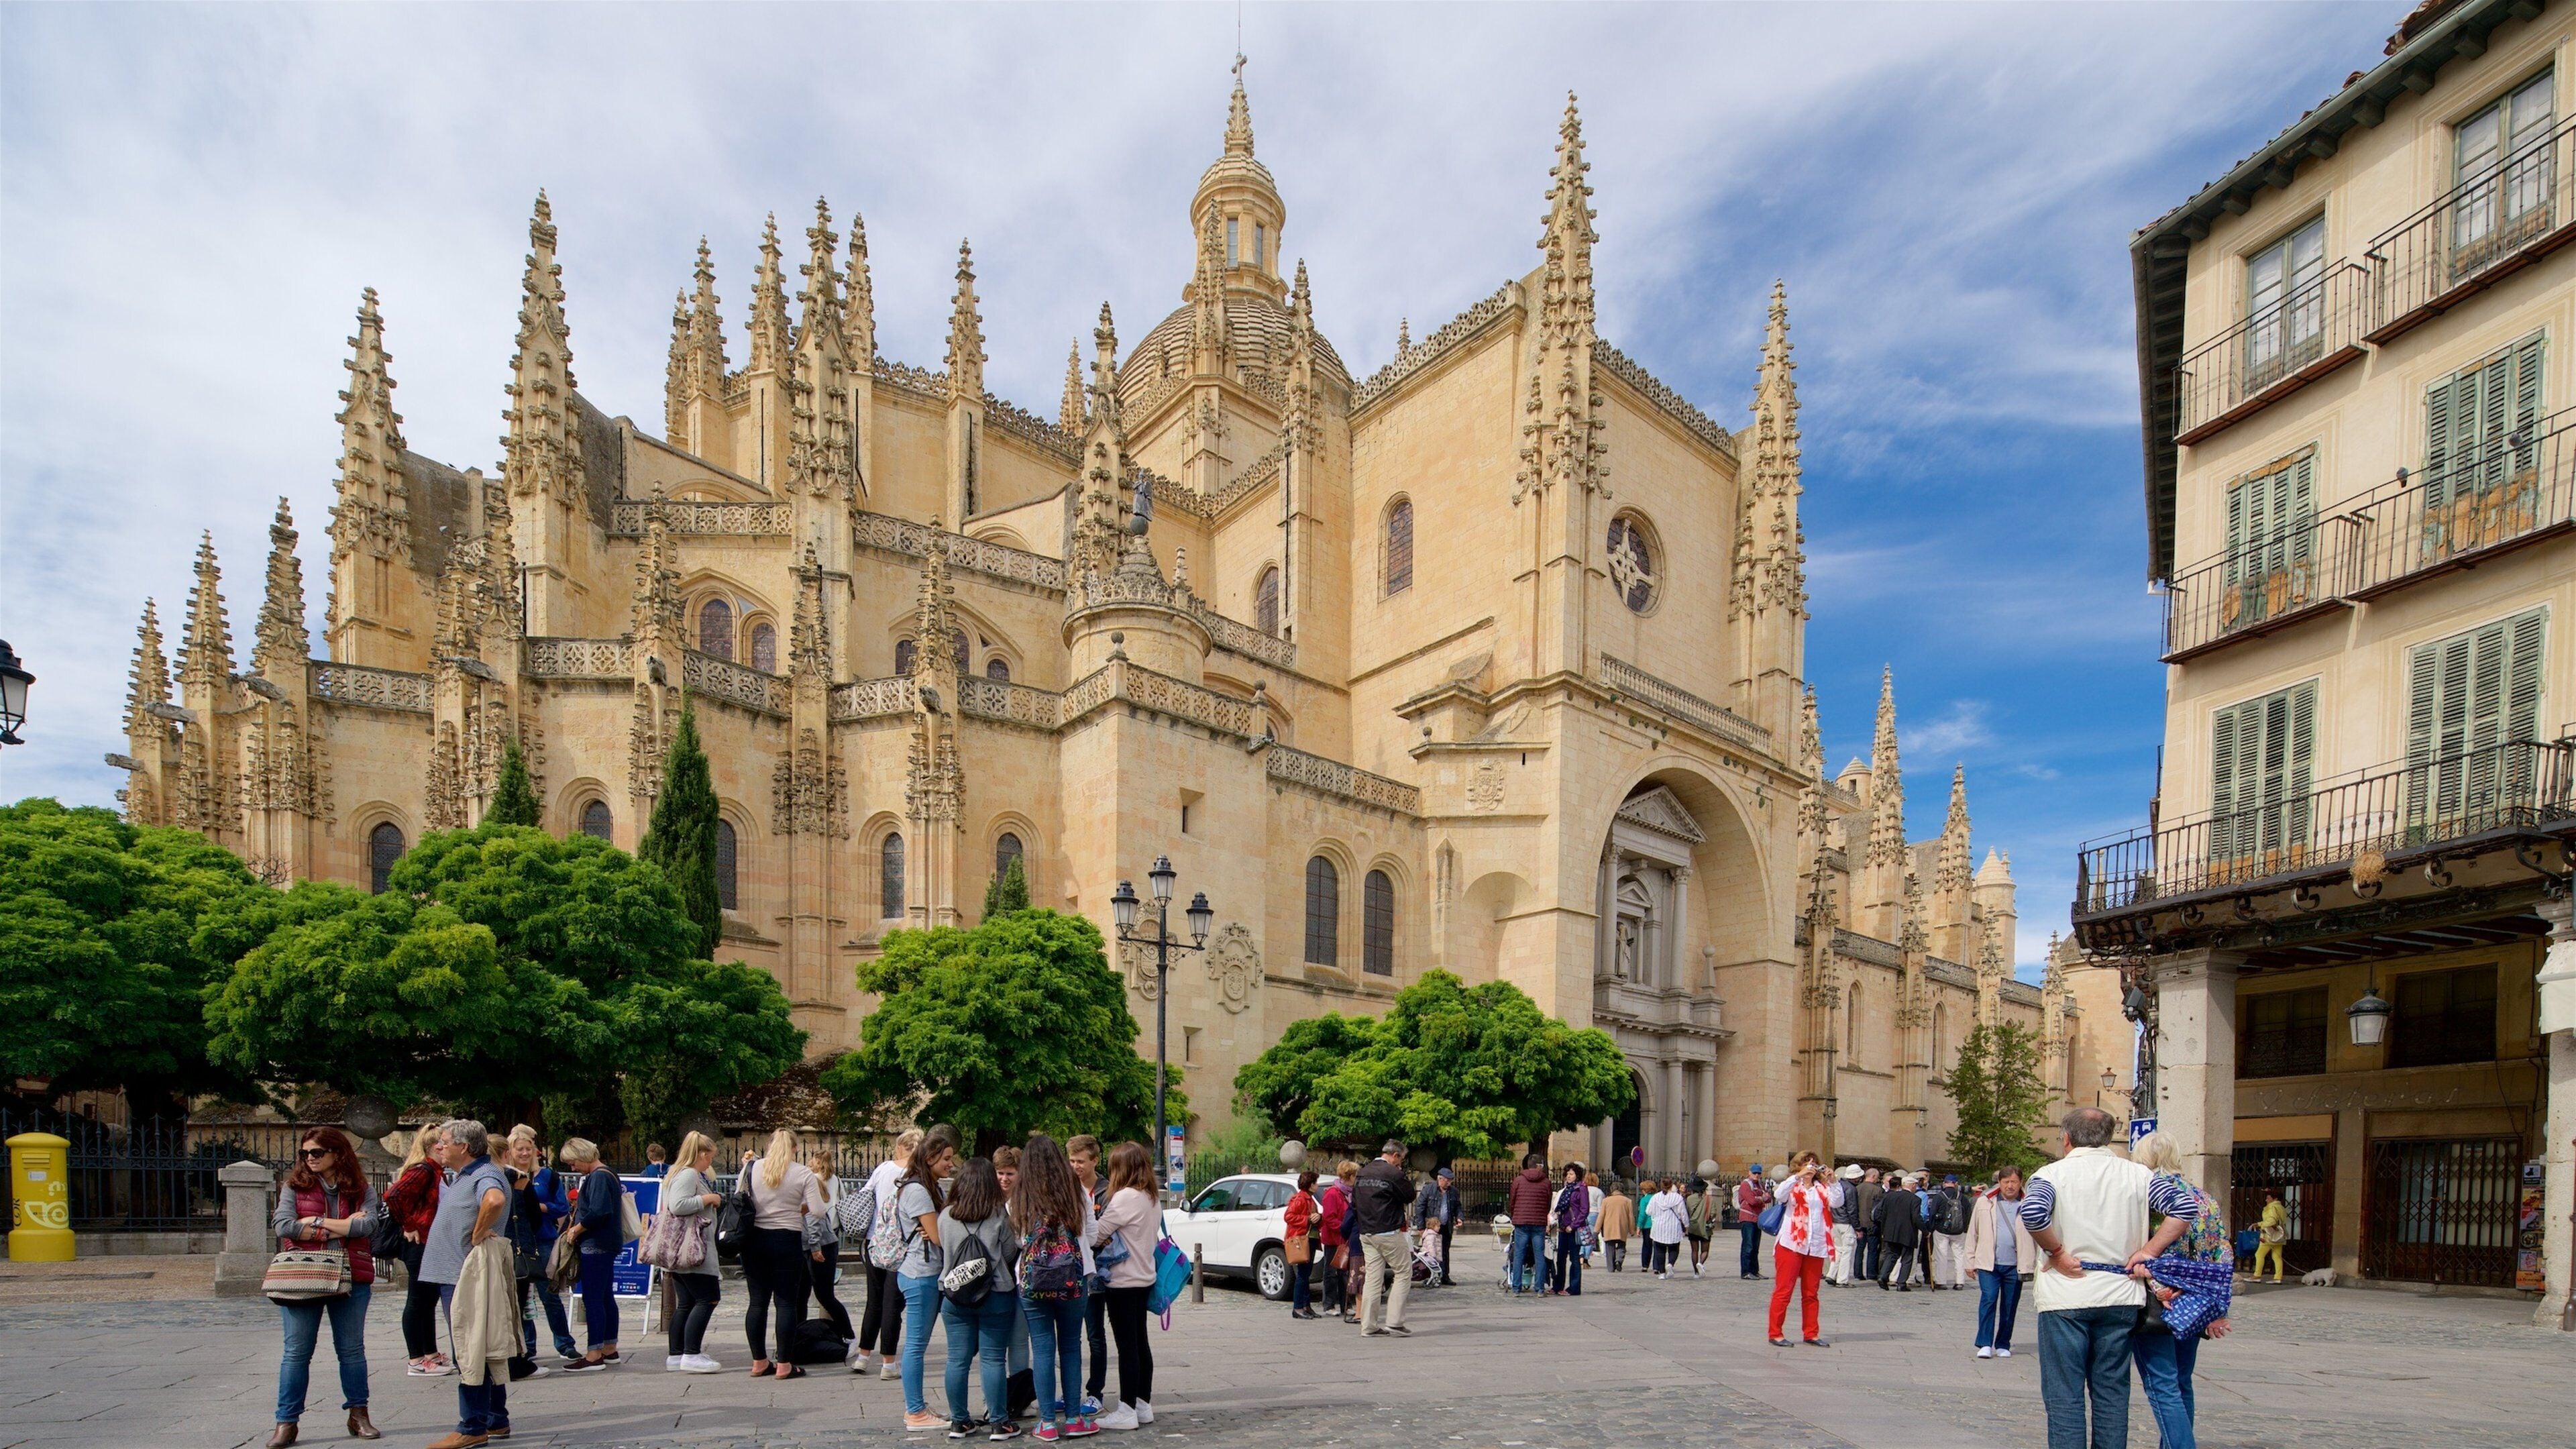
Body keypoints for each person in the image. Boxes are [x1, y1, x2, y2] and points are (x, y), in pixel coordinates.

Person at [2021, 1108, 2200, 1449]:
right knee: (2112, 1392)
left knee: (2065, 1393)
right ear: (2108, 1137)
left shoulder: (2051, 1175)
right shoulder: (2138, 1175)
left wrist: (2057, 1253)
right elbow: (2184, 1207)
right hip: (2120, 1294)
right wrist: (2149, 1250)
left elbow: (2032, 1213)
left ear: (2066, 1139)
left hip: (2066, 1296)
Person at [266, 1126, 381, 1446]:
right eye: (305, 1153)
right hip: (303, 1277)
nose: (310, 1158)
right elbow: (284, 1225)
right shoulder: (294, 1186)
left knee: (352, 1350)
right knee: (296, 1353)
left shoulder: (360, 1188)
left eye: (317, 1152)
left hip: (352, 1278)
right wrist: (341, 1228)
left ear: (337, 1153)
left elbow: (369, 1224)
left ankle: (359, 1415)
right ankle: (286, 1422)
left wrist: (313, 1223)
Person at [2130, 1133, 2234, 1449]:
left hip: (2161, 1300)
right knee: (2181, 1381)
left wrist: (2160, 1287)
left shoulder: (2145, 1195)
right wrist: (2219, 1308)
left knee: (2162, 1384)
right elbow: (2223, 1254)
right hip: (2197, 1301)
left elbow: (2142, 1253)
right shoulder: (2205, 1199)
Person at [419, 1120, 514, 1449]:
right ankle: (494, 1419)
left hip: (466, 1277)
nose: (439, 1147)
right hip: (458, 1275)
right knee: (481, 1347)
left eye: (444, 1142)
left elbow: (495, 1201)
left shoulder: (484, 1175)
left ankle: (472, 1426)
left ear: (464, 1147)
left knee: (469, 1350)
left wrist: (476, 1234)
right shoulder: (469, 1174)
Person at [1011, 1133, 1099, 1440]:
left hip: (1033, 1281)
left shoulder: (1021, 1193)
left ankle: (1047, 1423)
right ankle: (1074, 1418)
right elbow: (1092, 1232)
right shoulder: (1074, 1189)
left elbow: (1017, 1240)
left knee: (1043, 1347)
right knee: (1072, 1346)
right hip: (1074, 1277)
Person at [938, 1156, 1025, 1439]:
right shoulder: (999, 1216)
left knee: (957, 1360)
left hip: (954, 1296)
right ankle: (1000, 1422)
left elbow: (945, 1253)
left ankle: (959, 1421)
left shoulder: (945, 1216)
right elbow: (1011, 1252)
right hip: (996, 1294)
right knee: (992, 1359)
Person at [736, 1129, 825, 1379]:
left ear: (769, 1146)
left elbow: (739, 1199)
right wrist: (797, 1208)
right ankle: (785, 1363)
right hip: (787, 1238)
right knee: (786, 1303)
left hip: (754, 1240)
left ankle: (759, 1361)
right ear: (795, 1148)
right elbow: (818, 1211)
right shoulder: (802, 1173)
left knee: (757, 1302)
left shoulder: (751, 1168)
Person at [898, 1125, 964, 1432]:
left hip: (925, 1273)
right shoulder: (917, 1190)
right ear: (929, 1159)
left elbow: (937, 1230)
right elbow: (939, 1238)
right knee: (915, 1346)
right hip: (921, 1275)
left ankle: (918, 1407)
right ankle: (914, 1412)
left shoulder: (930, 1187)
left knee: (917, 1345)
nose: (950, 1164)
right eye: (946, 1159)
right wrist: (941, 1227)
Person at [1091, 1142, 1160, 1432]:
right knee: (1140, 1343)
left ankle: (1127, 1408)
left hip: (1123, 1281)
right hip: (1144, 1277)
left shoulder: (1125, 1197)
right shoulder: (1150, 1196)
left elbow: (1095, 1234)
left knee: (1127, 1347)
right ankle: (1143, 1403)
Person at [382, 1124, 449, 1379]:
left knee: (428, 1299)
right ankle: (416, 1359)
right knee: (418, 1300)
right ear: (435, 1148)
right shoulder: (423, 1171)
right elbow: (394, 1195)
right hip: (418, 1242)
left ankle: (429, 1353)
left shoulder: (435, 1171)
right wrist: (409, 1225)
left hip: (428, 1242)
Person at [855, 1126, 924, 1377]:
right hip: (903, 1246)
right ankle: (888, 1363)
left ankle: (863, 1356)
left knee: (874, 1301)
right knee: (893, 1305)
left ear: (899, 1147)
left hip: (875, 1240)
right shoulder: (918, 1174)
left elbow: (864, 1196)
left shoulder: (883, 1168)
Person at [556, 1138, 626, 1372]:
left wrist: (577, 1228)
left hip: (596, 1243)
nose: (573, 1168)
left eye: (573, 1163)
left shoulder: (598, 1176)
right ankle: (609, 1347)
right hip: (608, 1242)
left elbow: (599, 1211)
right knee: (605, 1296)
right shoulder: (609, 1174)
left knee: (593, 1298)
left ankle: (595, 1353)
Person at [659, 1132, 725, 1373]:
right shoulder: (688, 1174)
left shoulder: (678, 1173)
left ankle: (677, 1354)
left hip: (680, 1249)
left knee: (686, 1303)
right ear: (702, 1154)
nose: (711, 1162)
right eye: (710, 1157)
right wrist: (708, 1199)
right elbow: (678, 1205)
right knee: (708, 1299)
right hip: (692, 1248)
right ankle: (691, 1353)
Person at [1765, 1151, 1842, 1348]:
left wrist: (1833, 1182)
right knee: (1784, 1290)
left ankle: (1811, 1333)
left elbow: (1838, 1202)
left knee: (1811, 1293)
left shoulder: (1821, 1188)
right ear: (1798, 1166)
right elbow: (1779, 1195)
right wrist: (1797, 1177)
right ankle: (1775, 1332)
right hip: (1791, 1243)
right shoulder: (1793, 1186)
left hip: (1815, 1245)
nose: (1810, 1166)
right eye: (1806, 1163)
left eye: (1813, 1163)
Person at [1964, 1165, 2039, 1358]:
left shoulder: (2030, 1202)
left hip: (2016, 1264)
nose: (2010, 1186)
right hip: (1989, 1262)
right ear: (2000, 1182)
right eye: (2006, 1182)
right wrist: (1969, 1260)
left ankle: (2003, 1342)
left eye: (2014, 1182)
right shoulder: (1985, 1202)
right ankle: (1985, 1342)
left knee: (2010, 1304)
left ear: (2021, 1183)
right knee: (1988, 1300)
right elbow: (1974, 1231)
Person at [496, 1133, 550, 1382]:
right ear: (507, 1153)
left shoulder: (474, 1178)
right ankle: (516, 1361)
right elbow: (534, 1217)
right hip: (515, 1249)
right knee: (515, 1307)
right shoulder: (517, 1179)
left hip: (486, 1248)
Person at [1351, 1138, 1419, 1333]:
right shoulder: (1392, 1173)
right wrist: (1400, 1175)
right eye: (1401, 1160)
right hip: (1388, 1230)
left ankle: (1368, 1326)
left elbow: (1354, 1204)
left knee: (1373, 1278)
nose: (1401, 1164)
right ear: (1395, 1155)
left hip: (1366, 1232)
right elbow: (1409, 1196)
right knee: (1404, 1272)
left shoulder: (1362, 1172)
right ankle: (1395, 1322)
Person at [524, 1135, 580, 1364]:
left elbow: (562, 1208)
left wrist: (541, 1207)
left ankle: (564, 1343)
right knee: (520, 1299)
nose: (525, 1153)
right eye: (519, 1149)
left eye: (529, 1149)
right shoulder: (506, 1175)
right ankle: (527, 1346)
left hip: (543, 1240)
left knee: (550, 1295)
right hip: (518, 1242)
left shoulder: (547, 1176)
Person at [1066, 1134, 1112, 1414]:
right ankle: (1070, 1392)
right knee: (1070, 1337)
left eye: (1081, 1161)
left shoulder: (1108, 1190)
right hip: (1069, 1271)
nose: (1076, 1166)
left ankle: (1095, 1391)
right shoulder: (1065, 1188)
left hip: (1100, 1272)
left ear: (1095, 1160)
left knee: (1096, 1335)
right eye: (1071, 1161)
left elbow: (1105, 1234)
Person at [991, 1146, 1034, 1419]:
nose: (1004, 1179)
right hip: (995, 1280)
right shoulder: (991, 1199)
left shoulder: (1025, 1201)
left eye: (1009, 1174)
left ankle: (1019, 1399)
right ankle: (995, 1399)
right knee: (996, 1344)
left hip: (1018, 1276)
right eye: (1000, 1173)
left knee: (1019, 1341)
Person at [804, 1148, 857, 1342]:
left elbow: (813, 1214)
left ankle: (843, 1333)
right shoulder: (836, 1179)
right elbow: (842, 1201)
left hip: (816, 1235)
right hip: (831, 1230)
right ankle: (828, 1327)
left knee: (819, 1292)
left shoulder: (811, 1178)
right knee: (824, 1291)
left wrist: (815, 1244)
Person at [1503, 1152, 1552, 1293]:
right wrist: (1543, 1215)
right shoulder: (1546, 1182)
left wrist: (1515, 1215)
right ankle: (1540, 1288)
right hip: (1538, 1223)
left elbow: (1512, 1202)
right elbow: (1548, 1204)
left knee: (1519, 1255)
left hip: (1521, 1222)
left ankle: (1517, 1288)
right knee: (1539, 1256)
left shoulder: (1518, 1181)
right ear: (1538, 1166)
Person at [1320, 1160, 1358, 1318]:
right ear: (1349, 1175)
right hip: (1334, 1239)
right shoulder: (1333, 1193)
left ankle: (1346, 1304)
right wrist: (1344, 1228)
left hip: (1345, 1239)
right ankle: (1329, 1304)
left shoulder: (1349, 1193)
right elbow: (1329, 1218)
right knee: (1331, 1273)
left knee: (1345, 1273)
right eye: (1355, 1175)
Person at [1546, 1162, 1590, 1297]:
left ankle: (1574, 1288)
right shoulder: (1566, 1190)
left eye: (1572, 1174)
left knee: (1575, 1259)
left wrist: (1574, 1225)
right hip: (1563, 1228)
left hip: (1574, 1229)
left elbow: (1584, 1210)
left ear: (1577, 1176)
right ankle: (1558, 1285)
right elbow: (1560, 1209)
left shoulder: (1581, 1189)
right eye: (1567, 1174)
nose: (1569, 1177)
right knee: (1560, 1257)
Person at [1411, 1167, 1461, 1286]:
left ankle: (1445, 1276)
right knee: (1431, 1252)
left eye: (1450, 1181)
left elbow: (1458, 1207)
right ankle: (1433, 1275)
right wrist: (1421, 1227)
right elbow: (1420, 1208)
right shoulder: (1429, 1190)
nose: (1449, 1183)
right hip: (1432, 1227)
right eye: (1447, 1180)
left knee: (1444, 1251)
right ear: (1440, 1179)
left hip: (1446, 1225)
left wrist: (1459, 1217)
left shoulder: (1453, 1191)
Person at [1874, 1172, 1923, 1291]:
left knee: (1891, 1256)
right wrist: (1925, 1230)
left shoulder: (1890, 1197)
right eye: (1915, 1185)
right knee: (1907, 1258)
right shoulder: (1915, 1199)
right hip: (1907, 1233)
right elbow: (1916, 1218)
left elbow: (1883, 1215)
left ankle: (1883, 1276)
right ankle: (1902, 1283)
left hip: (1890, 1232)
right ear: (1911, 1186)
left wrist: (1884, 1230)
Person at [1283, 1170, 1322, 1319]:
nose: (1317, 1185)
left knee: (1306, 1275)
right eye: (1315, 1183)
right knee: (1302, 1275)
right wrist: (1308, 1219)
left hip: (1309, 1239)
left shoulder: (1309, 1199)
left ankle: (1306, 1306)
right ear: (1310, 1185)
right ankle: (1298, 1307)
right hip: (1301, 1240)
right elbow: (1289, 1216)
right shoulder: (1300, 1199)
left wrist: (1319, 1218)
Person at [1929, 1174, 1972, 1291]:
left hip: (1941, 1230)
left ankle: (1941, 1281)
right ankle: (1960, 1282)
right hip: (1959, 1231)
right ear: (1956, 1184)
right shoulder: (1962, 1197)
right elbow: (1968, 1213)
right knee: (1959, 1256)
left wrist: (1931, 1229)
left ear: (1944, 1183)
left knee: (1941, 1255)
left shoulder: (1939, 1197)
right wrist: (1965, 1228)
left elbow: (1932, 1213)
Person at [1826, 1165, 1864, 1286]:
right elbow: (1852, 1210)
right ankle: (1842, 1280)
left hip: (1834, 1221)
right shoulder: (1851, 1189)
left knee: (1838, 1250)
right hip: (1846, 1223)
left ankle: (1832, 1274)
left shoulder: (1838, 1185)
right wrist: (1858, 1227)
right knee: (1847, 1252)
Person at [1733, 1166, 1772, 1280]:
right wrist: (1762, 1198)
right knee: (1748, 1246)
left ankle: (1755, 1271)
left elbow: (1769, 1198)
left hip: (1757, 1219)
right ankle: (1746, 1271)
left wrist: (1761, 1198)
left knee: (1755, 1247)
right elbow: (1752, 1200)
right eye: (1754, 1173)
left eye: (1759, 1173)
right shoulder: (1746, 1185)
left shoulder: (1760, 1185)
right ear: (1749, 1173)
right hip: (1747, 1218)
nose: (1757, 1175)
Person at [1645, 1177, 1686, 1280]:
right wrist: (1686, 1225)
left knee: (1660, 1250)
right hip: (1673, 1226)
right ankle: (1671, 1264)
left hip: (1659, 1227)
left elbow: (1648, 1211)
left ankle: (1662, 1273)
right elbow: (1683, 1213)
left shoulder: (1655, 1198)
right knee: (1674, 1249)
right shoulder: (1678, 1198)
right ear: (1671, 1185)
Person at [1851, 1167, 1885, 1282]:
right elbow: (1879, 1209)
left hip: (1859, 1222)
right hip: (1872, 1223)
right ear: (1874, 1176)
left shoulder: (1857, 1188)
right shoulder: (1877, 1190)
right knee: (1872, 1249)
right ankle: (1871, 1273)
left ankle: (1858, 1272)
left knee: (1860, 1249)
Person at [1599, 1179, 1636, 1272]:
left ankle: (1611, 1267)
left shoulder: (1606, 1200)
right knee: (1621, 1245)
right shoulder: (1628, 1201)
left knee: (1609, 1246)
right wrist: (1632, 1230)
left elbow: (1601, 1215)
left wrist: (1597, 1229)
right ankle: (1619, 1261)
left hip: (1609, 1227)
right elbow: (1631, 1217)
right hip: (1622, 1226)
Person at [2253, 1189, 2289, 1283]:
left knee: (2259, 1254)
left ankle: (2257, 1275)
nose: (2266, 1200)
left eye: (2268, 1198)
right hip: (2279, 1235)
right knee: (2277, 1257)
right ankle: (2278, 1277)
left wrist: (2261, 1225)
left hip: (2269, 1235)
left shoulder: (2272, 1208)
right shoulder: (2281, 1208)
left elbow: (2272, 1220)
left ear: (2275, 1199)